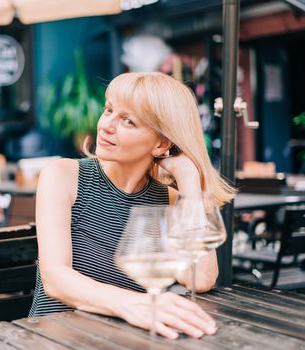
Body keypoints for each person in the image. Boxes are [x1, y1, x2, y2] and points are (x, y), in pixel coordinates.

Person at [29, 72, 235, 339]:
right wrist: (137, 304)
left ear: (162, 143)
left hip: (123, 340)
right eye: (109, 110)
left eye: (128, 121)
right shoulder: (64, 176)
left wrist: (190, 181)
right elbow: (55, 279)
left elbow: (201, 279)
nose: (106, 125)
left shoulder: (170, 201)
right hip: (56, 338)